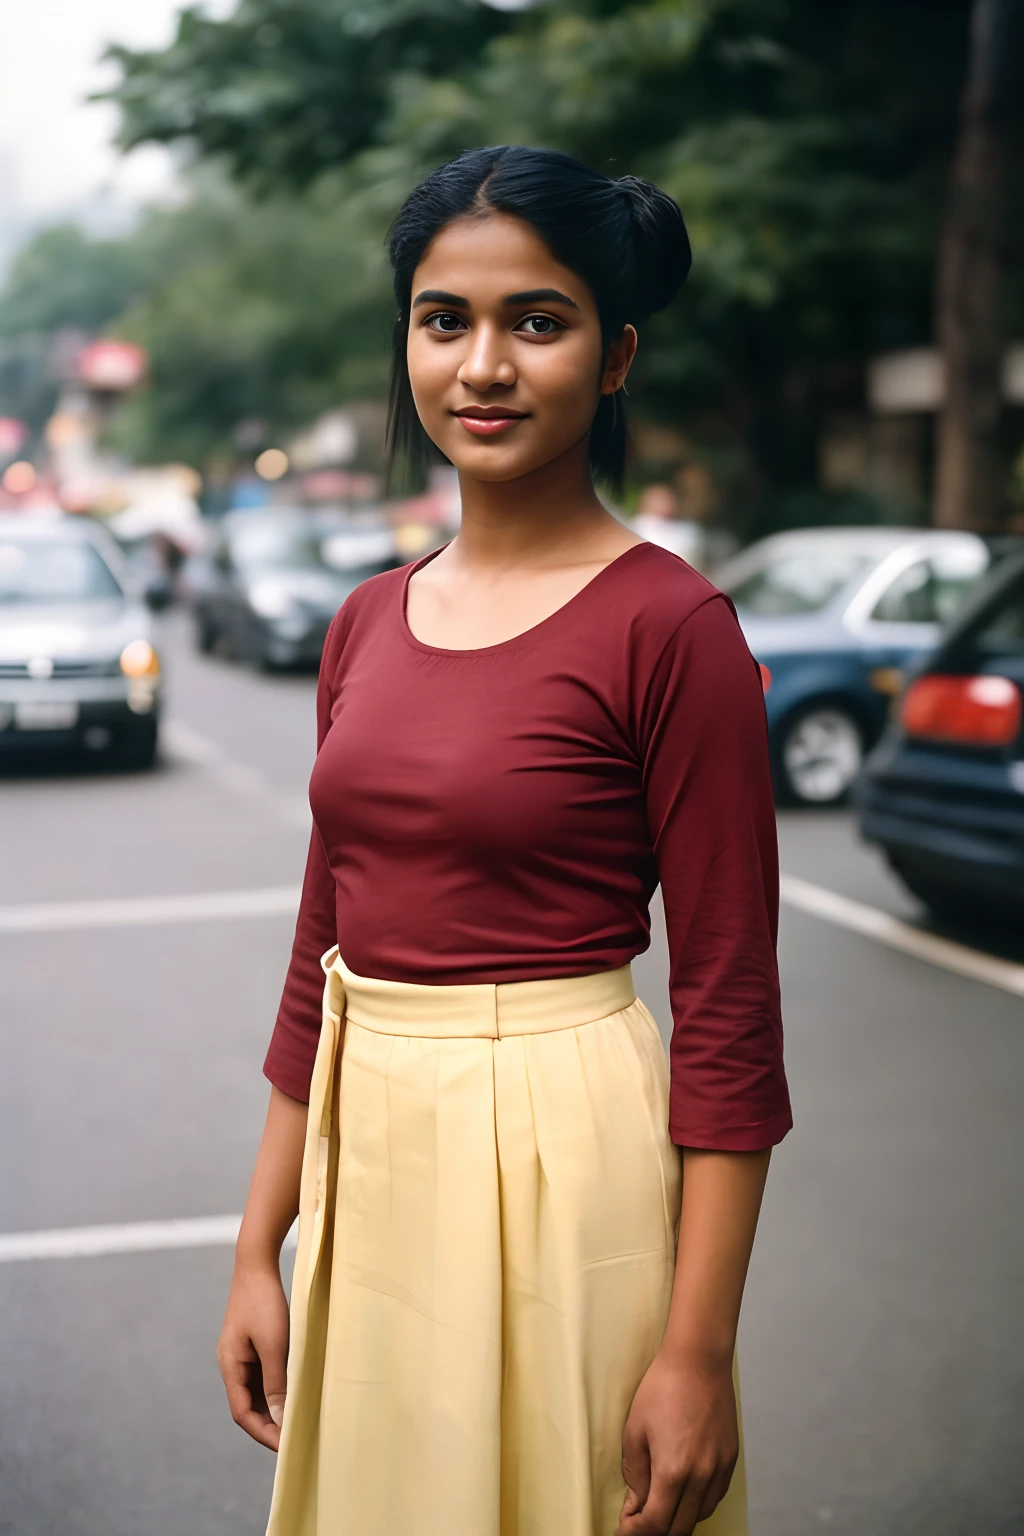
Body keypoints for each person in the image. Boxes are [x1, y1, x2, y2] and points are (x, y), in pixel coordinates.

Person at [217, 145, 791, 1536]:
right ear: (407, 341)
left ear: (613, 358)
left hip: (565, 1147)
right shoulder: (363, 620)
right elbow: (322, 949)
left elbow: (727, 1009)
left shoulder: (673, 630)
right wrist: (258, 1248)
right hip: (372, 1145)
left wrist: (697, 1352)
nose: (483, 364)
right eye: (443, 319)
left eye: (538, 321)